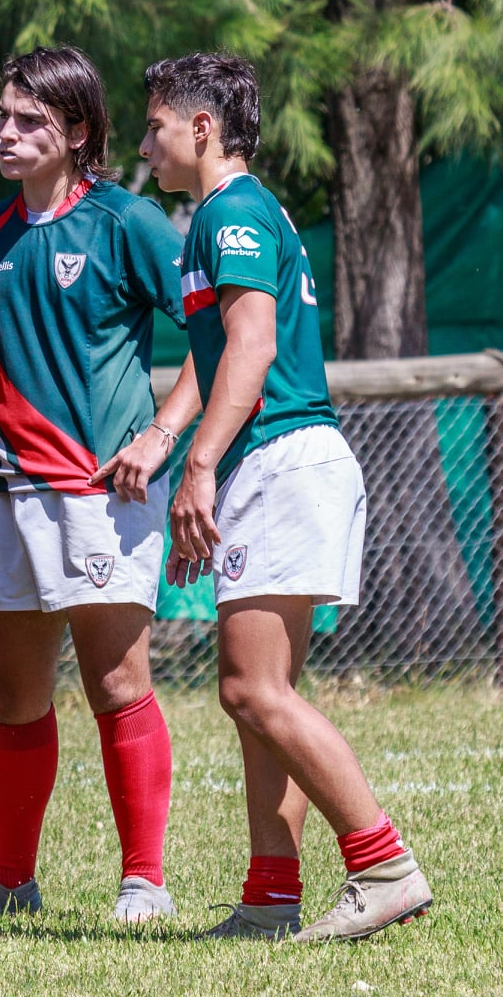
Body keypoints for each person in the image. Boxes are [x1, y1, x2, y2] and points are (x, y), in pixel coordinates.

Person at [137, 52, 431, 942]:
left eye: (153, 126)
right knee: (263, 693)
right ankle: (270, 896)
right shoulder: (233, 214)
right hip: (284, 459)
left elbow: (252, 349)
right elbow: (223, 347)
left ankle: (381, 862)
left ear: (201, 127)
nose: (143, 144)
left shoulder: (228, 211)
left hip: (280, 457)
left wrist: (197, 466)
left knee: (252, 690)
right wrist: (189, 455)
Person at [0, 46, 188, 922]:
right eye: (3, 117)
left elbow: (214, 337)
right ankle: (8, 879)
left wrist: (163, 435)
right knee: (11, 697)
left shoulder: (127, 221)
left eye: (29, 121)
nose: (6, 134)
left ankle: (144, 879)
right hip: (4, 491)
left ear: (78, 131)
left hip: (100, 494)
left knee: (117, 686)